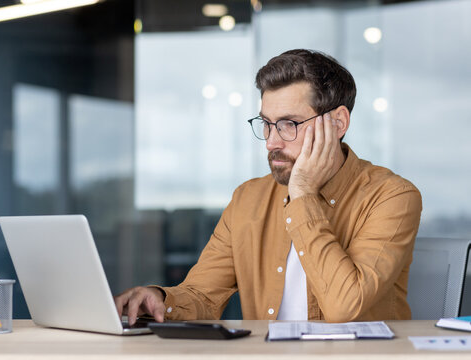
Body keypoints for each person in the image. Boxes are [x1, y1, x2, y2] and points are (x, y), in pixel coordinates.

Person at [115, 49, 422, 324]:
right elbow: (202, 296)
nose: (272, 142)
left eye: (289, 124)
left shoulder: (392, 196)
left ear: (338, 123)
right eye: (266, 123)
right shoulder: (248, 198)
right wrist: (158, 300)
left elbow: (345, 307)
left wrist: (303, 194)